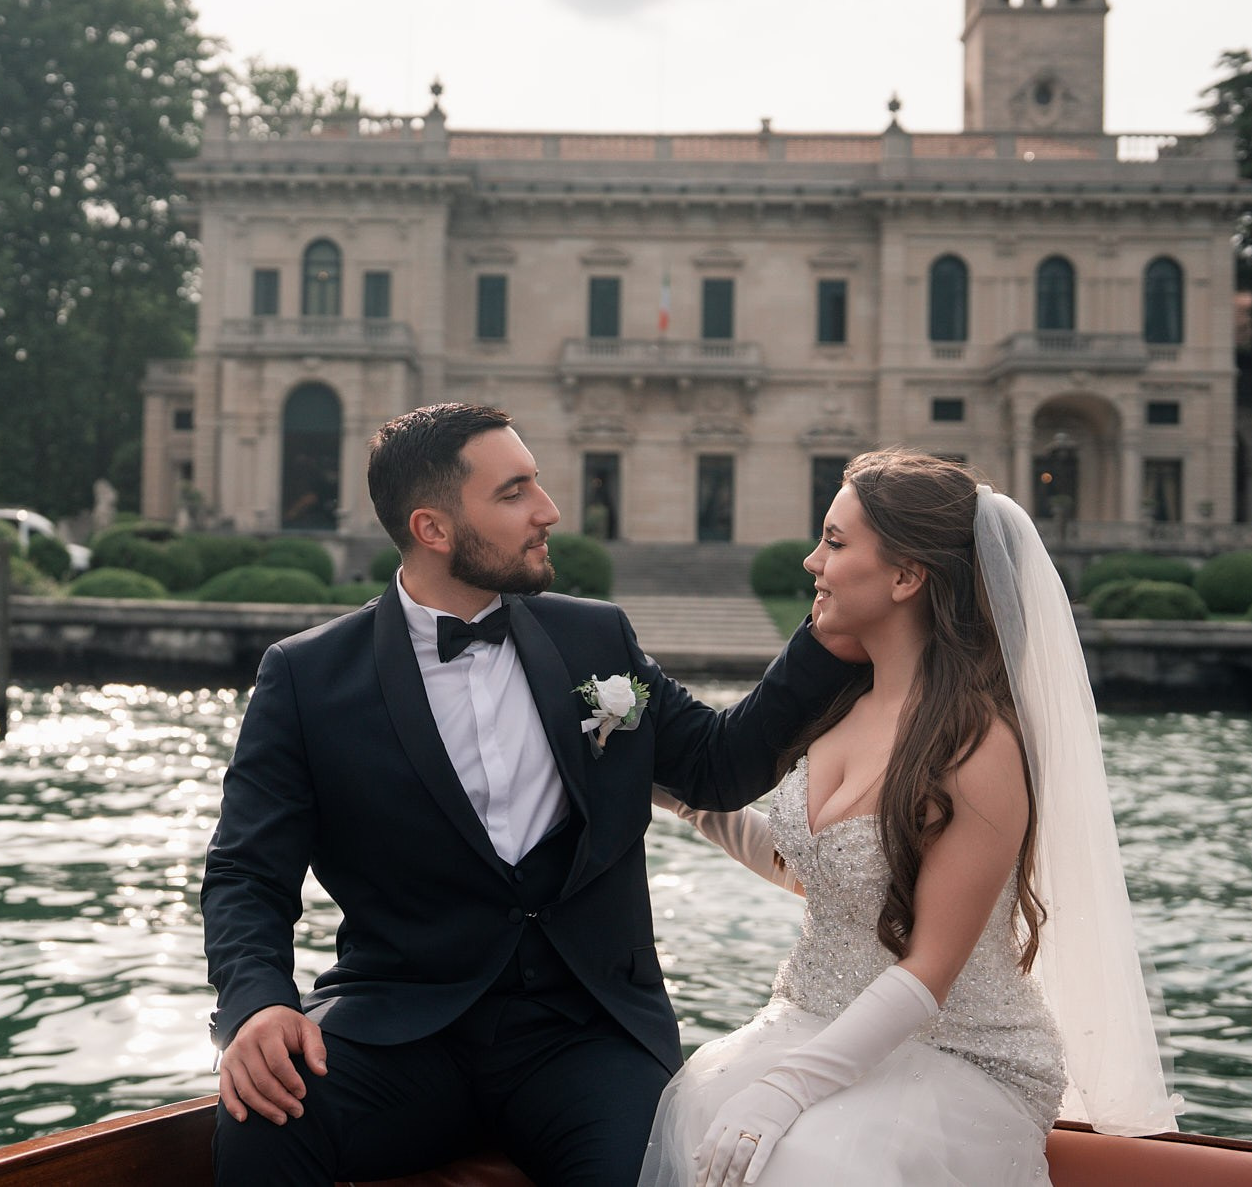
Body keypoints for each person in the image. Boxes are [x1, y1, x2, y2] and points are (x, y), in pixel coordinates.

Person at [202, 403, 863, 1186]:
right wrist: (257, 1003)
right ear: (434, 528)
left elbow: (719, 765)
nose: (549, 510)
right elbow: (248, 872)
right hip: (403, 1027)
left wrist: (826, 637)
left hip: (584, 1035)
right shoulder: (304, 677)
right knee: (261, 1114)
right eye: (515, 492)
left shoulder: (597, 638)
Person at [638, 450, 1178, 1187]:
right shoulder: (836, 707)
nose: (810, 561)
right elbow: (816, 872)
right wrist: (671, 793)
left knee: (809, 1163)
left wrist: (786, 1086)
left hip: (957, 1054)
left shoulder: (978, 744)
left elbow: (929, 965)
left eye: (834, 540)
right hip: (811, 1022)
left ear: (905, 576)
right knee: (703, 1121)